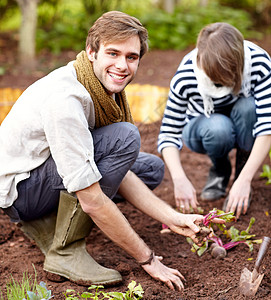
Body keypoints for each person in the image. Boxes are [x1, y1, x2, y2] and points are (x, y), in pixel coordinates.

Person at [0, 11, 224, 292]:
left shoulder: (97, 86)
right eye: (113, 53)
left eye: (132, 57)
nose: (123, 65)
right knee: (124, 139)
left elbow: (117, 168)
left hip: (42, 171)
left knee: (149, 169)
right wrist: (148, 258)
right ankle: (65, 251)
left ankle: (49, 222)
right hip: (20, 191)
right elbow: (93, 199)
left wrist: (174, 219)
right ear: (91, 52)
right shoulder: (67, 101)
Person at [158, 22, 271, 219]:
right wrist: (179, 179)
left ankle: (241, 173)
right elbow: (169, 133)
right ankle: (220, 169)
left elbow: (267, 125)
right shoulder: (186, 76)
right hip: (203, 127)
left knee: (249, 108)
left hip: (244, 120)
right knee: (219, 127)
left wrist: (245, 180)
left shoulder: (258, 62)